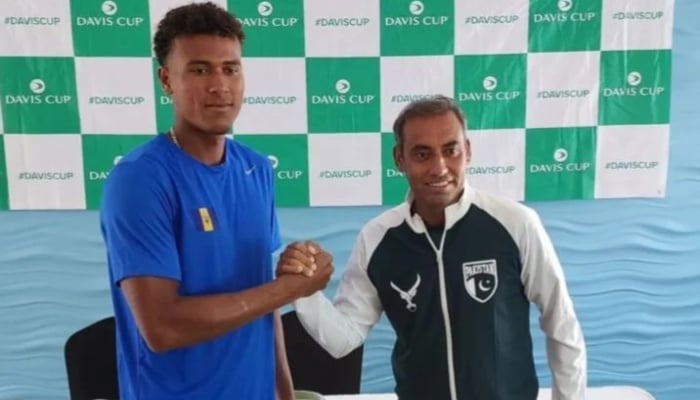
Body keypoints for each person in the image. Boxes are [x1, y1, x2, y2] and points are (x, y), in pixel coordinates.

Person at [277, 96, 587, 400]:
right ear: (400, 159)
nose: (439, 168)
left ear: (467, 151)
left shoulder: (515, 223)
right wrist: (304, 291)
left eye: (450, 150)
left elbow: (561, 323)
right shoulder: (377, 238)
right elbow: (342, 340)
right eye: (422, 154)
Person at [99, 2, 332, 400]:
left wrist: (285, 392)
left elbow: (263, 304)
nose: (219, 86)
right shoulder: (139, 178)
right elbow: (162, 327)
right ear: (166, 80)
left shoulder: (256, 169)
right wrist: (290, 289)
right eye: (199, 69)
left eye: (231, 68)